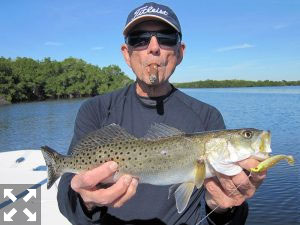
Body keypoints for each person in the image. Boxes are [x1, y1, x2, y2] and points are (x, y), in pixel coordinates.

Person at [57, 2, 266, 225]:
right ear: (126, 54)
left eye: (166, 37)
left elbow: (227, 218)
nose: (154, 47)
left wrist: (222, 209)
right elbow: (67, 199)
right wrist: (88, 202)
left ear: (180, 52)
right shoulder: (95, 109)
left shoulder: (207, 116)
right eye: (139, 38)